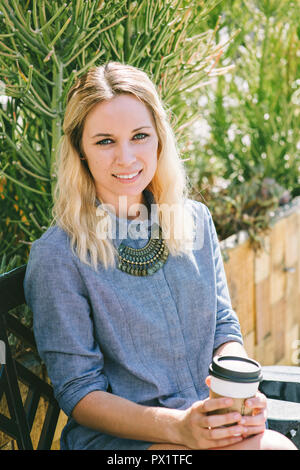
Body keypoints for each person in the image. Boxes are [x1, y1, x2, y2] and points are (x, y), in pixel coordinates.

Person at [24, 61, 297, 451]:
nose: (126, 157)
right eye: (105, 141)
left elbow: (223, 328)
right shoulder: (58, 257)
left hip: (204, 422)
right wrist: (178, 428)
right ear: (79, 150)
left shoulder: (194, 221)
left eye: (139, 136)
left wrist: (239, 391)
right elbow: (79, 393)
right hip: (123, 443)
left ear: (159, 139)